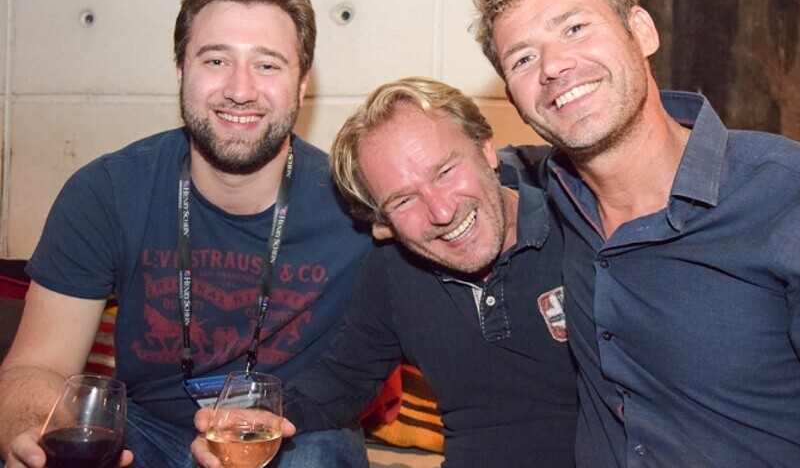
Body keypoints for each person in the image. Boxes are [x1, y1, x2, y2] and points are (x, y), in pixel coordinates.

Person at [471, 0, 800, 466]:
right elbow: (450, 174)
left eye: (575, 28)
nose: (554, 66)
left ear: (641, 31)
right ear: (515, 99)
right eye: (523, 58)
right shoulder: (556, 196)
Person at [0, 0, 372, 468]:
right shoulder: (107, 192)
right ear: (181, 71)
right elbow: (35, 368)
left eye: (267, 65)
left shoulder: (357, 206)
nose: (239, 90)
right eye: (215, 61)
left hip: (286, 435)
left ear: (302, 84)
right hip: (145, 436)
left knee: (319, 455)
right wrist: (33, 432)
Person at [190, 76, 579, 467]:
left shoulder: (581, 226)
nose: (442, 212)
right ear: (382, 222)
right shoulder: (396, 266)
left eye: (445, 171)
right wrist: (261, 419)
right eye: (404, 200)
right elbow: (345, 378)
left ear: (486, 149)